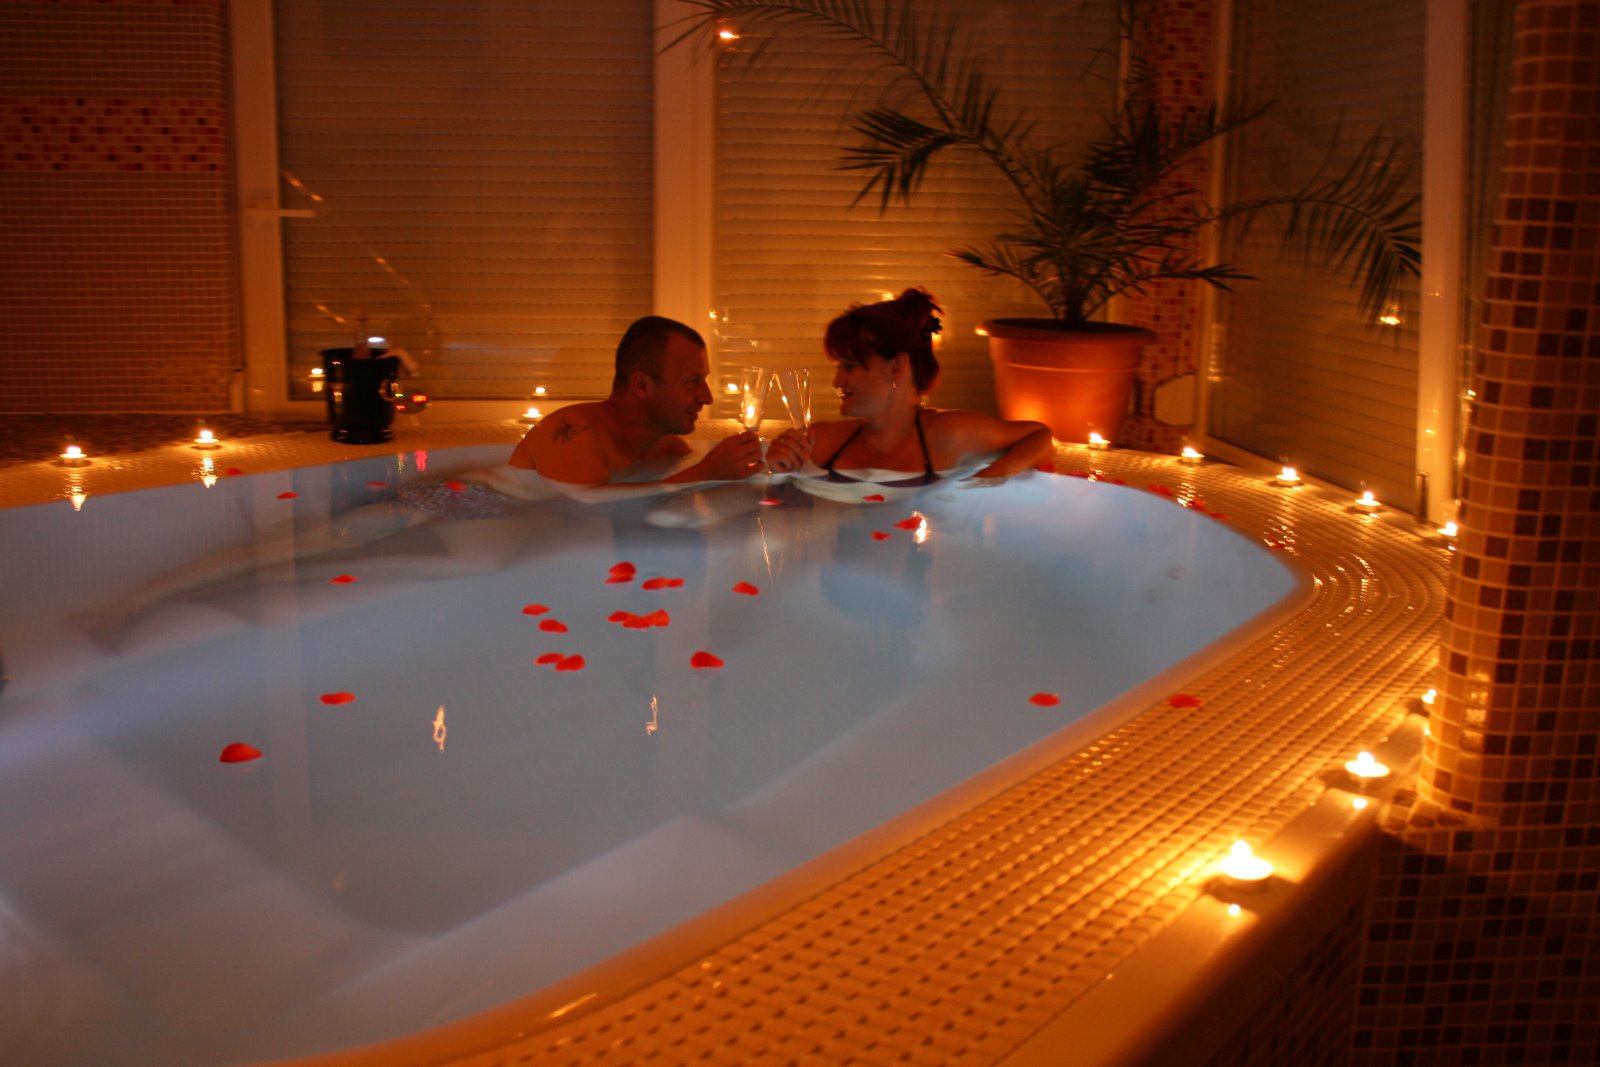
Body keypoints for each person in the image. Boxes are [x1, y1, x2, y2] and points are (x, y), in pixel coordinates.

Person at [511, 315, 806, 489]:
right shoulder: (575, 431)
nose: (707, 397)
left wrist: (770, 471)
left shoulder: (669, 449)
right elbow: (582, 507)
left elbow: (690, 497)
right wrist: (704, 473)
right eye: (693, 381)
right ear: (642, 385)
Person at [799, 288, 1052, 489]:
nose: (837, 382)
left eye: (849, 366)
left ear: (896, 367)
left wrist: (997, 473)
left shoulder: (949, 435)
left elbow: (1040, 436)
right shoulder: (820, 440)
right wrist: (784, 469)